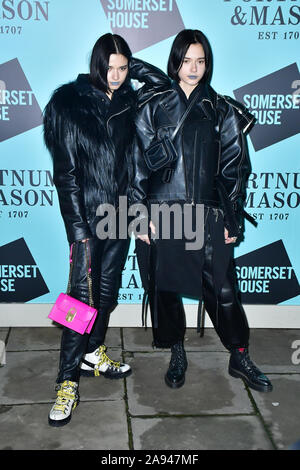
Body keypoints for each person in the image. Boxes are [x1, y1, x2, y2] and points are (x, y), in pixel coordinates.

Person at [131, 29, 273, 393]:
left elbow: (234, 168)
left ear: (207, 64)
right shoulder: (151, 106)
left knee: (224, 289)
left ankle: (239, 354)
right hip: (162, 213)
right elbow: (136, 166)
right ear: (175, 62)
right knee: (165, 288)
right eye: (186, 60)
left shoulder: (222, 109)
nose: (193, 68)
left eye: (201, 61)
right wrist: (138, 213)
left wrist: (233, 217)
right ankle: (177, 351)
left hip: (208, 216)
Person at [43, 33, 170, 427]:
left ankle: (93, 352)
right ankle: (66, 381)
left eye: (122, 68)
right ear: (96, 65)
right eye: (109, 68)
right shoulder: (69, 105)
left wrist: (135, 68)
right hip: (86, 221)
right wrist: (78, 231)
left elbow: (164, 87)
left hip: (119, 216)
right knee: (78, 302)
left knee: (108, 292)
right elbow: (66, 176)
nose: (115, 76)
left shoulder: (131, 101)